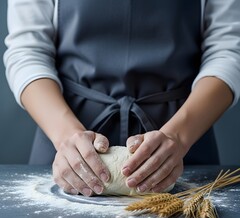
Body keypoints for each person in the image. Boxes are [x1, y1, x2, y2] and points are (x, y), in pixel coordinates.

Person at [4, 0, 240, 197]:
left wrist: (177, 137)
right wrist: (66, 135)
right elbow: (28, 51)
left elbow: (228, 50)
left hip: (183, 145)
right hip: (65, 143)